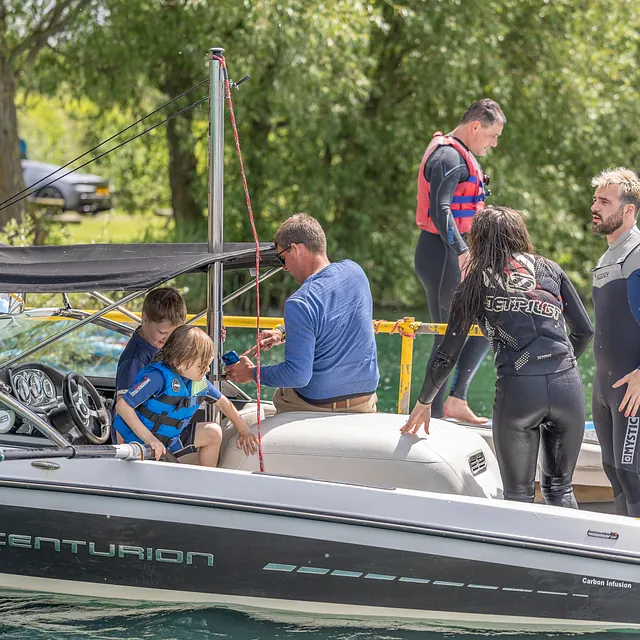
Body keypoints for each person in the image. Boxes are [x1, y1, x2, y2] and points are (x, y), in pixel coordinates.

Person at [402, 206, 593, 507]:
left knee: (518, 496)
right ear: (520, 235)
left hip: (519, 393)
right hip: (567, 387)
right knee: (560, 489)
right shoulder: (550, 269)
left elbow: (446, 355)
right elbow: (584, 331)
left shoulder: (475, 284)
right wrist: (559, 368)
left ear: (477, 240)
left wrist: (425, 401)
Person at [226, 213, 380, 414]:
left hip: (319, 404)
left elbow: (297, 375)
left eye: (282, 258)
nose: (284, 267)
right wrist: (281, 332)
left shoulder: (299, 302)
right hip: (365, 399)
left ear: (296, 249)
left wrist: (252, 373)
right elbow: (330, 318)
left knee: (279, 396)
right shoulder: (356, 272)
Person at [414, 98, 506, 425]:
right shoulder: (448, 156)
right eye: (492, 136)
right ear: (476, 125)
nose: (493, 143)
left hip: (458, 255)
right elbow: (440, 211)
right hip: (442, 255)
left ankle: (455, 400)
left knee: (488, 323)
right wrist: (462, 252)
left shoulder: (461, 154)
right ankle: (432, 416)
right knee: (447, 335)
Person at [113, 325, 257, 464]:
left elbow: (224, 404)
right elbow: (123, 406)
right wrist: (150, 440)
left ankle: (208, 479)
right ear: (178, 362)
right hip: (140, 441)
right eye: (202, 366)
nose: (207, 370)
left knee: (213, 432)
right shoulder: (157, 378)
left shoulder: (198, 383)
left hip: (171, 440)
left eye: (208, 364)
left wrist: (244, 430)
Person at [589, 167, 640, 516]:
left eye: (605, 201)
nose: (595, 206)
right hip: (605, 386)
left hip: (631, 387)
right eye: (595, 199)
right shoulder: (608, 255)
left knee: (632, 474)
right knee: (614, 472)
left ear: (628, 210)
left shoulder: (636, 253)